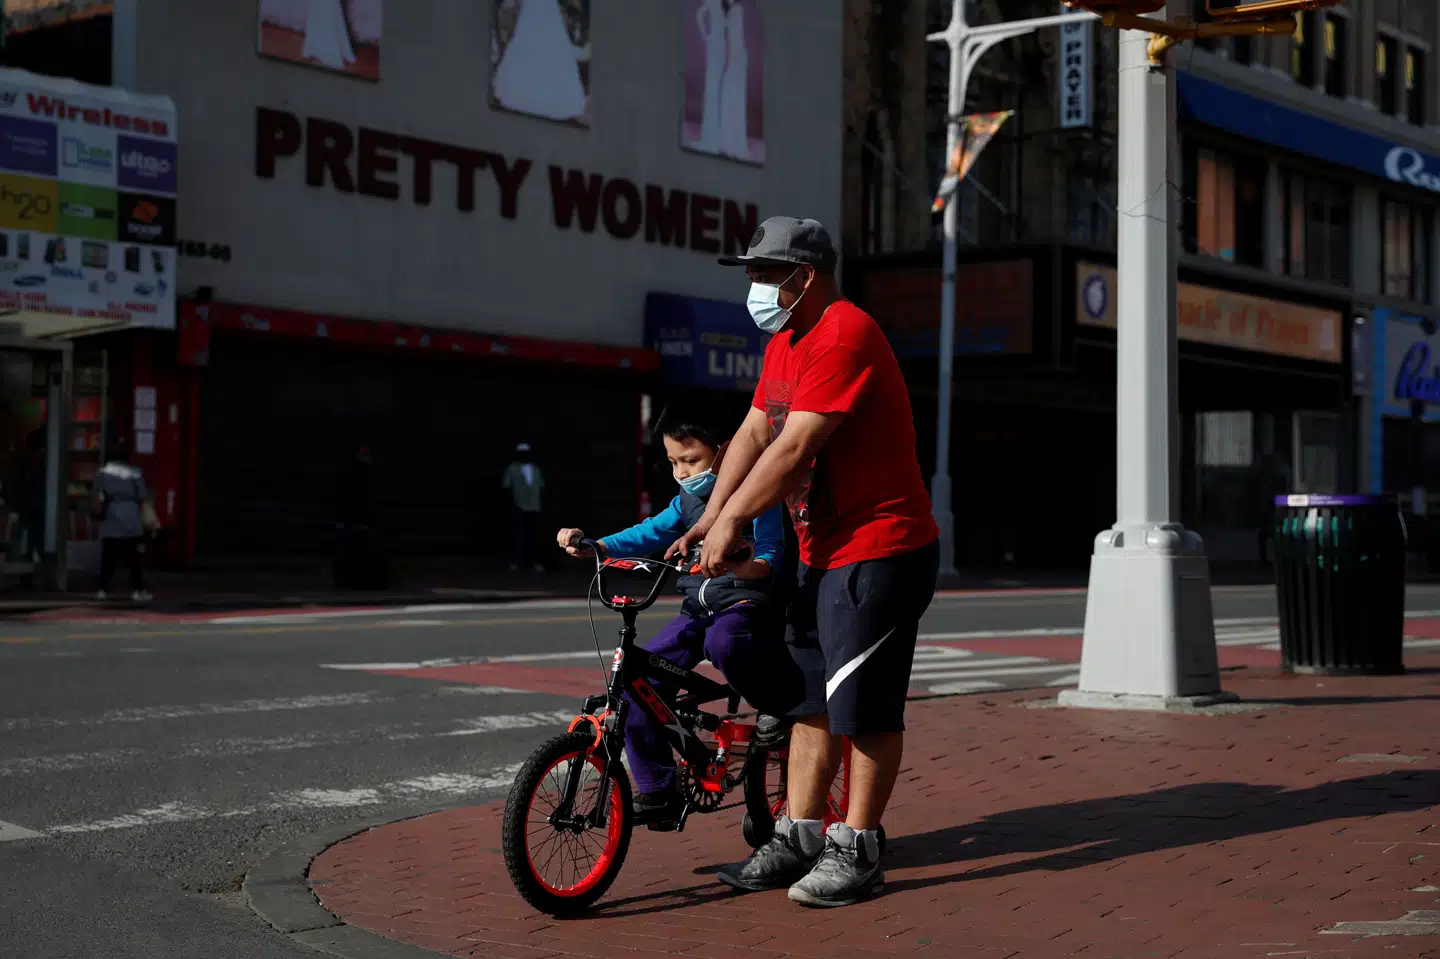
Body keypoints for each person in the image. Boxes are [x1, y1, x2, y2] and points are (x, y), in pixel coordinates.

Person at [669, 216, 940, 907]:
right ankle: (799, 833)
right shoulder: (786, 344)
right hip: (823, 551)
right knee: (811, 700)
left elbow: (791, 451)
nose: (756, 287)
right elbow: (755, 431)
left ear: (805, 277)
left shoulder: (846, 332)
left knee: (865, 707)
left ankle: (859, 848)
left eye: (765, 273)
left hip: (880, 549)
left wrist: (732, 521)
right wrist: (710, 511)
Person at [556, 407, 802, 829]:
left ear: (726, 452)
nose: (682, 471)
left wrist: (741, 567)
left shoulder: (759, 492)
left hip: (746, 604)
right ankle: (657, 791)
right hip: (697, 609)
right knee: (635, 684)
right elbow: (650, 532)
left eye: (691, 460)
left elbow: (771, 557)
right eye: (673, 462)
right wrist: (596, 546)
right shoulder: (686, 502)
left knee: (726, 642)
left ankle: (774, 707)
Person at [91, 439, 156, 602]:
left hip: (111, 514)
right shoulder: (135, 473)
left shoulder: (102, 473)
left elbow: (96, 495)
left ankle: (102, 589)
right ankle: (138, 589)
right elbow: (142, 496)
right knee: (133, 556)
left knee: (108, 556)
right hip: (130, 515)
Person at [503, 443, 545, 572]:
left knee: (533, 536)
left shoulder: (535, 469)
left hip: (534, 507)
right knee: (518, 536)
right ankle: (516, 562)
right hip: (519, 507)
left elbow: (541, 487)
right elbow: (507, 487)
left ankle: (533, 562)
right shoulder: (512, 469)